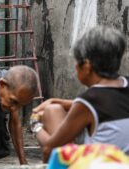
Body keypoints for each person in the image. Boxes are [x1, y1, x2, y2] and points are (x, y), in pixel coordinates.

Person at [30, 26, 129, 163]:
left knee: (52, 116)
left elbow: (48, 147)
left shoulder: (90, 101)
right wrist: (58, 102)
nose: (75, 66)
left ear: (87, 66)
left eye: (76, 61)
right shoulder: (122, 86)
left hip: (101, 164)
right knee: (53, 109)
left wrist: (35, 124)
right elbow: (111, 105)